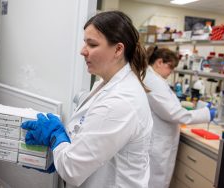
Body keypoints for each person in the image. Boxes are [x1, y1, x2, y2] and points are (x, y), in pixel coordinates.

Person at [21, 11, 153, 188]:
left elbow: (72, 170)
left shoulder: (120, 101)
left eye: (92, 44)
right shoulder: (106, 83)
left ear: (118, 49)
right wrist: (58, 153)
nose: (83, 51)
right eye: (85, 43)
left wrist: (55, 136)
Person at [143, 46, 215, 188]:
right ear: (159, 62)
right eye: (170, 67)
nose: (171, 72)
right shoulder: (153, 81)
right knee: (155, 182)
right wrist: (205, 114)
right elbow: (173, 113)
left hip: (159, 140)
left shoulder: (154, 78)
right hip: (157, 143)